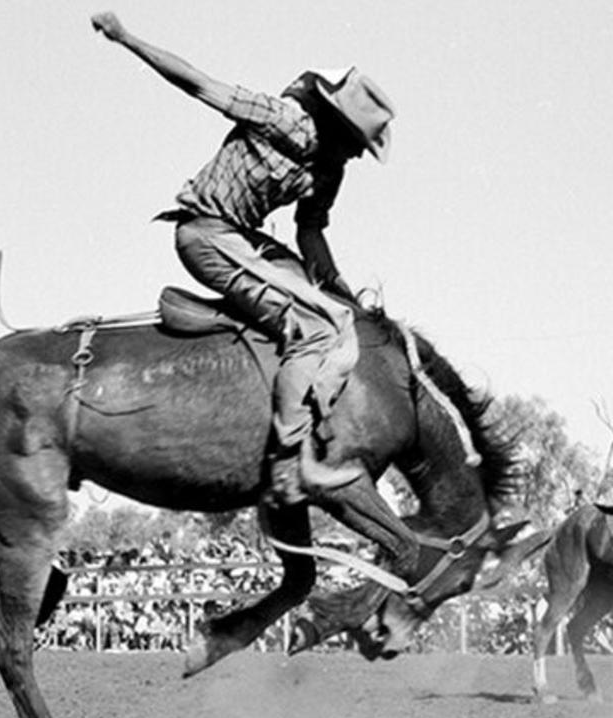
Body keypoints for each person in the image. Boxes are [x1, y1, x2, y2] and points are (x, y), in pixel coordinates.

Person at [91, 12, 395, 508]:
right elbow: (198, 84)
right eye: (357, 144)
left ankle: (299, 411)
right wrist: (127, 39)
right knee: (318, 327)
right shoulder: (280, 118)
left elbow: (309, 231)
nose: (359, 156)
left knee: (336, 314)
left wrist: (342, 289)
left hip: (245, 238)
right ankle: (290, 461)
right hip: (206, 234)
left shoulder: (328, 173)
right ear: (338, 127)